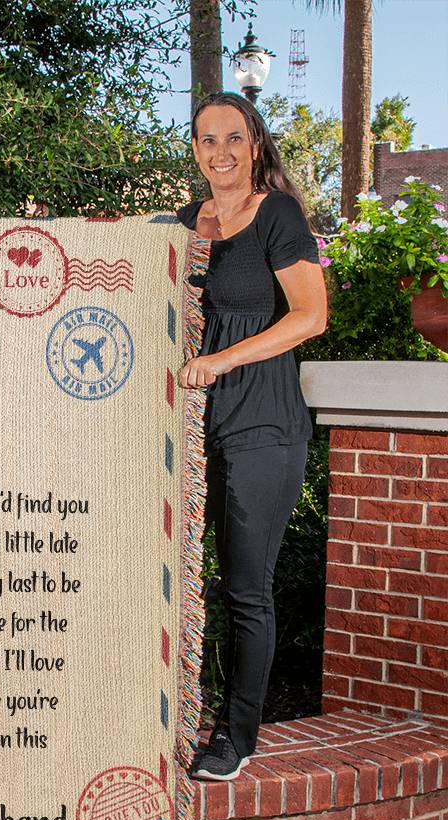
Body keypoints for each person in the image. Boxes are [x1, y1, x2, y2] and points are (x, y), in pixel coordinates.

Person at [176, 92, 327, 781]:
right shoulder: (187, 224)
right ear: (197, 149)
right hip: (192, 431)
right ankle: (173, 716)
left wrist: (222, 360)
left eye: (234, 138)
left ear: (256, 144)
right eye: (208, 140)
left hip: (262, 427)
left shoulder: (277, 215)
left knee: (245, 590)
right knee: (181, 585)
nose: (222, 152)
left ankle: (234, 739)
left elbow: (311, 317)